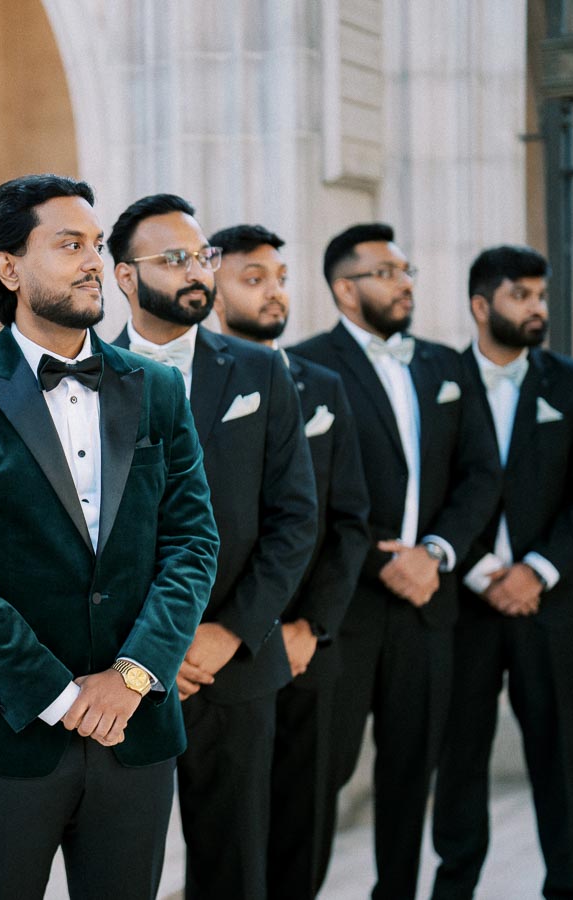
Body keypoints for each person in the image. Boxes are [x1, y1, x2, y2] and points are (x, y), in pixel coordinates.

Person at [0, 174, 219, 899]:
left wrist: (134, 674)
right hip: (5, 731)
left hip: (135, 728)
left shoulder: (156, 389)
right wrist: (60, 695)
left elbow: (192, 543)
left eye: (97, 245)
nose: (91, 263)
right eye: (69, 244)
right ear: (9, 267)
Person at [107, 196, 319, 899]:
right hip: (123, 668)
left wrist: (230, 630)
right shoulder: (85, 375)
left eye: (201, 257)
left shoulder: (260, 375)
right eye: (172, 259)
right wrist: (154, 646)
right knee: (119, 868)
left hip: (235, 664)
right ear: (126, 278)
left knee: (233, 869)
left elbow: (295, 519)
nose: (195, 271)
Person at [289, 222, 500, 900]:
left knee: (411, 776)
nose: (406, 281)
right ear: (346, 289)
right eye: (387, 272)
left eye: (407, 270)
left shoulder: (446, 366)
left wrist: (434, 554)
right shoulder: (301, 365)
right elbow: (304, 493)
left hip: (427, 604)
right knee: (319, 779)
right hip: (341, 607)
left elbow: (481, 475)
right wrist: (386, 558)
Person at [431, 246, 573, 900]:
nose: (537, 308)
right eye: (521, 296)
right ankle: (455, 886)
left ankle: (568, 885)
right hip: (461, 600)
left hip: (553, 601)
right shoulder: (438, 380)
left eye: (541, 295)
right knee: (459, 757)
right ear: (482, 305)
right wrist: (483, 571)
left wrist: (534, 572)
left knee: (560, 754)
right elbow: (427, 488)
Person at [209, 223, 371, 899]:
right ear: (210, 286)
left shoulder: (322, 385)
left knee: (306, 818)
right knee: (228, 829)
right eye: (254, 279)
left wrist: (312, 627)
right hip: (225, 645)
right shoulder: (193, 384)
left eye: (279, 277)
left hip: (308, 641)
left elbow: (349, 520)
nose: (274, 292)